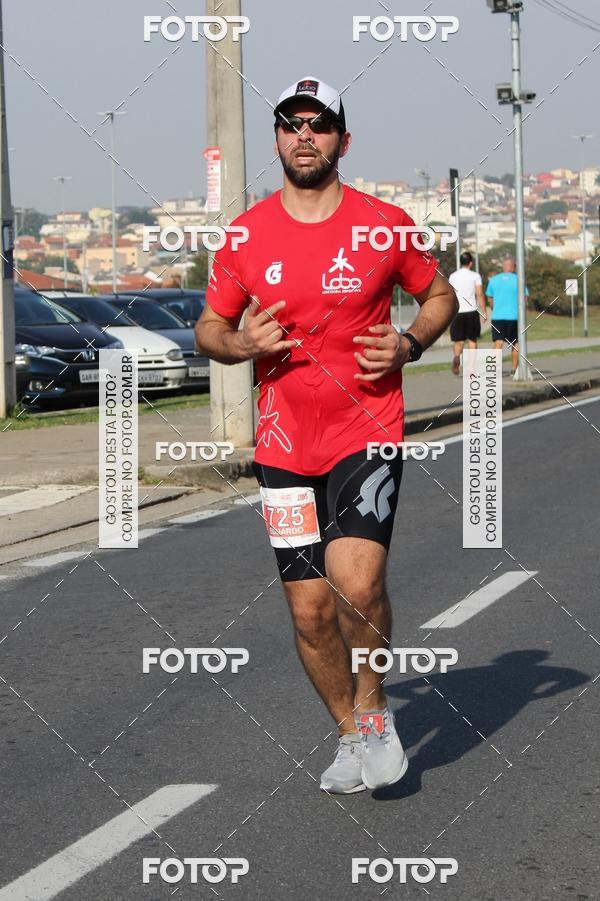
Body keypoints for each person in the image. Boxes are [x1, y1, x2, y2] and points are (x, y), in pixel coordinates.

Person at [195, 76, 458, 794]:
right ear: (277, 137)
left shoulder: (385, 223)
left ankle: (373, 713)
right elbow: (207, 328)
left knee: (357, 581)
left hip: (364, 426)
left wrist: (409, 344)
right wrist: (240, 342)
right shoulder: (246, 235)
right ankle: (349, 733)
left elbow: (441, 294)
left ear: (344, 138)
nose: (303, 135)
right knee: (311, 611)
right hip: (283, 443)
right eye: (290, 124)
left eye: (318, 123)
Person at [486, 257, 528, 377]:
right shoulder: (519, 280)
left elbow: (490, 298)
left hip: (498, 317)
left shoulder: (494, 280)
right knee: (515, 343)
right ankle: (514, 369)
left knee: (498, 343)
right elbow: (525, 299)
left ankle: (494, 369)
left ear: (503, 266)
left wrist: (495, 308)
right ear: (514, 266)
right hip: (514, 317)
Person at [448, 251, 486, 375]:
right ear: (471, 263)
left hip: (457, 312)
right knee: (472, 340)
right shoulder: (475, 276)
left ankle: (457, 357)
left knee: (458, 341)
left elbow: (450, 294)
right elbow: (479, 294)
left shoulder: (453, 276)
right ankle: (471, 368)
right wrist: (484, 311)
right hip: (471, 311)